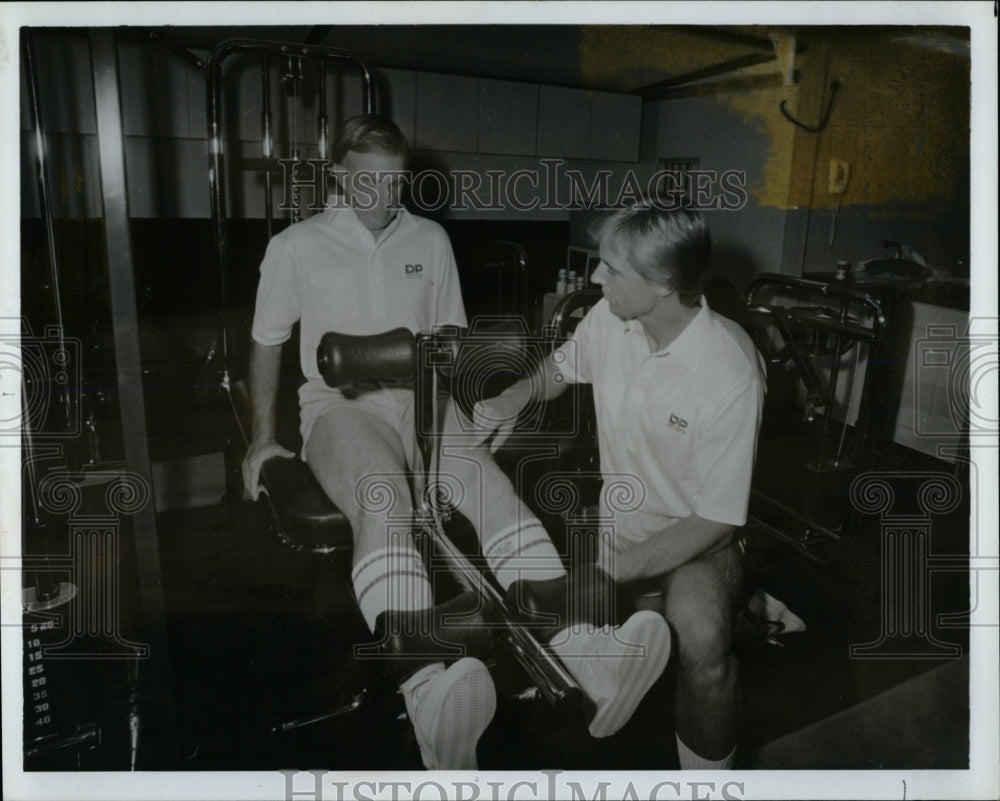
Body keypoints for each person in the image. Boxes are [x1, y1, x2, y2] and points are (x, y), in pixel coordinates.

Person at [241, 115, 671, 770]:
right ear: (339, 176)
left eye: (396, 182)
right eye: (368, 182)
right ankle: (428, 693)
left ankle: (590, 656)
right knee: (384, 500)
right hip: (340, 408)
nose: (384, 197)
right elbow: (267, 341)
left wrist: (470, 413)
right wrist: (262, 441)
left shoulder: (430, 238)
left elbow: (450, 342)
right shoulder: (296, 245)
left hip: (427, 405)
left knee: (493, 489)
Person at [473, 204, 765, 769]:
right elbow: (561, 368)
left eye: (611, 269)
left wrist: (607, 575)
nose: (595, 278)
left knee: (703, 645)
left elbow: (716, 519)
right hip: (615, 524)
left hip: (694, 540)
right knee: (537, 616)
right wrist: (514, 396)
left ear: (661, 285)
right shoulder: (610, 319)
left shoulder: (729, 370)